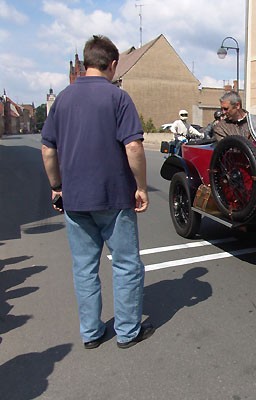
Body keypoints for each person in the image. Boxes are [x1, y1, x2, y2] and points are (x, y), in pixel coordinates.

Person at [41, 35, 154, 350]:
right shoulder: (118, 98)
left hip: (75, 199)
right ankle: (128, 331)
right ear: (113, 64)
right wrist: (141, 187)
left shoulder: (62, 99)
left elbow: (48, 151)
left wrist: (56, 187)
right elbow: (133, 146)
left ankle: (91, 333)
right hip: (114, 197)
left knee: (84, 267)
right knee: (126, 263)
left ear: (87, 62)